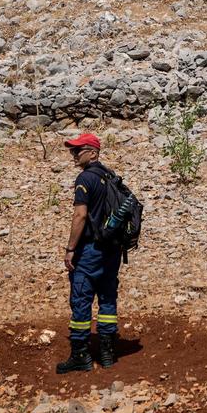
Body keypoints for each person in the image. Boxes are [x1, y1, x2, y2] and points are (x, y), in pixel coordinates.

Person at [56, 133, 122, 373]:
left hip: (90, 250)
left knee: (81, 299)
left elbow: (80, 215)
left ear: (93, 153)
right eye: (73, 151)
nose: (74, 155)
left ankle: (81, 355)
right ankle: (107, 353)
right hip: (112, 250)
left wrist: (70, 249)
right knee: (107, 298)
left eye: (78, 150)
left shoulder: (85, 178)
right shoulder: (109, 176)